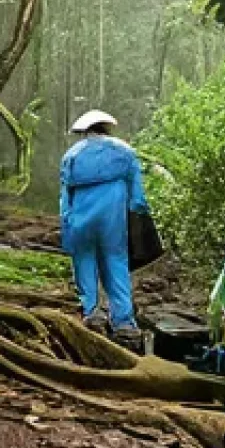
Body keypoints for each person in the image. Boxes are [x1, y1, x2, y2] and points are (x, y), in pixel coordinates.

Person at [60, 110, 150, 352]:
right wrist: (137, 218)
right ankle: (123, 322)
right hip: (113, 214)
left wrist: (66, 226)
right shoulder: (126, 152)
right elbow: (138, 198)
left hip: (81, 214)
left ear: (85, 132)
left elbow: (65, 198)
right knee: (115, 261)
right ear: (106, 128)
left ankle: (92, 313)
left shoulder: (72, 155)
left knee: (84, 261)